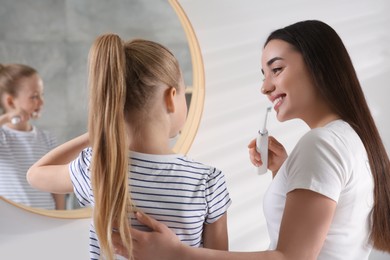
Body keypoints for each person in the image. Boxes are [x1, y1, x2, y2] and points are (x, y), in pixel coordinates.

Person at [122, 20, 390, 260]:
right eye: (264, 75)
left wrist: (176, 254)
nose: (265, 87)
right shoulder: (351, 138)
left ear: (318, 64)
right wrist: (285, 173)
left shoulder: (320, 144)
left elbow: (291, 257)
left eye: (276, 69)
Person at [27, 35, 232, 260]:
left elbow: (36, 174)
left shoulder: (96, 167)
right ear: (171, 97)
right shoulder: (206, 181)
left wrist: (98, 132)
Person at [0, 63, 64, 210]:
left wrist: (60, 215)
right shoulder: (2, 137)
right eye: (34, 97)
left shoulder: (47, 139)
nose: (41, 102)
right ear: (10, 101)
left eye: (42, 95)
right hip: (13, 221)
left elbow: (56, 183)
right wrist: (6, 118)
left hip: (45, 217)